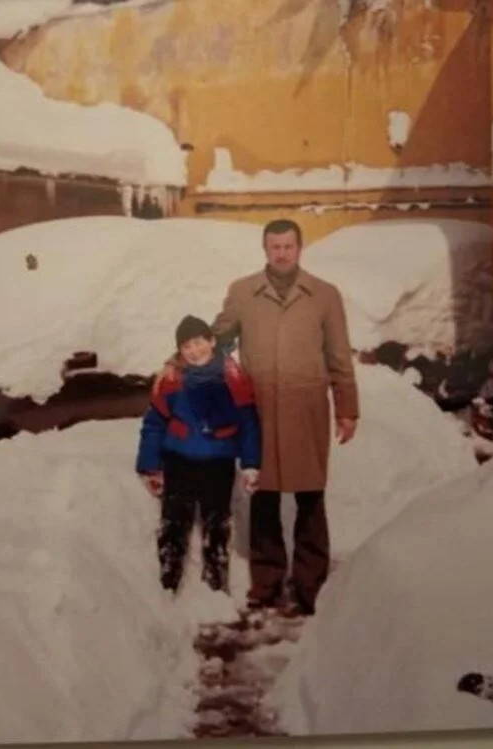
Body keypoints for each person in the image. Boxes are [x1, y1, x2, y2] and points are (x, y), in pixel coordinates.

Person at [212, 218, 359, 616]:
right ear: (265, 249)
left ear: (299, 248)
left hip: (306, 406)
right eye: (274, 247)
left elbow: (339, 356)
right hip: (257, 408)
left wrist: (347, 408)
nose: (281, 254)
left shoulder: (324, 295)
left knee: (310, 495)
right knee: (263, 494)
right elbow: (218, 341)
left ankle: (311, 584)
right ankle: (267, 582)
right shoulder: (242, 292)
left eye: (288, 246)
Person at [136, 315, 262, 594]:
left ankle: (215, 585)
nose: (194, 351)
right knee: (173, 522)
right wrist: (150, 466)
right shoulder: (171, 380)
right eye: (186, 347)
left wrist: (252, 463)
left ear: (212, 341)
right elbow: (154, 424)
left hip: (218, 462)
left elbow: (248, 424)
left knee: (217, 522)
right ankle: (168, 583)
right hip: (178, 460)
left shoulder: (233, 377)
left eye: (198, 342)